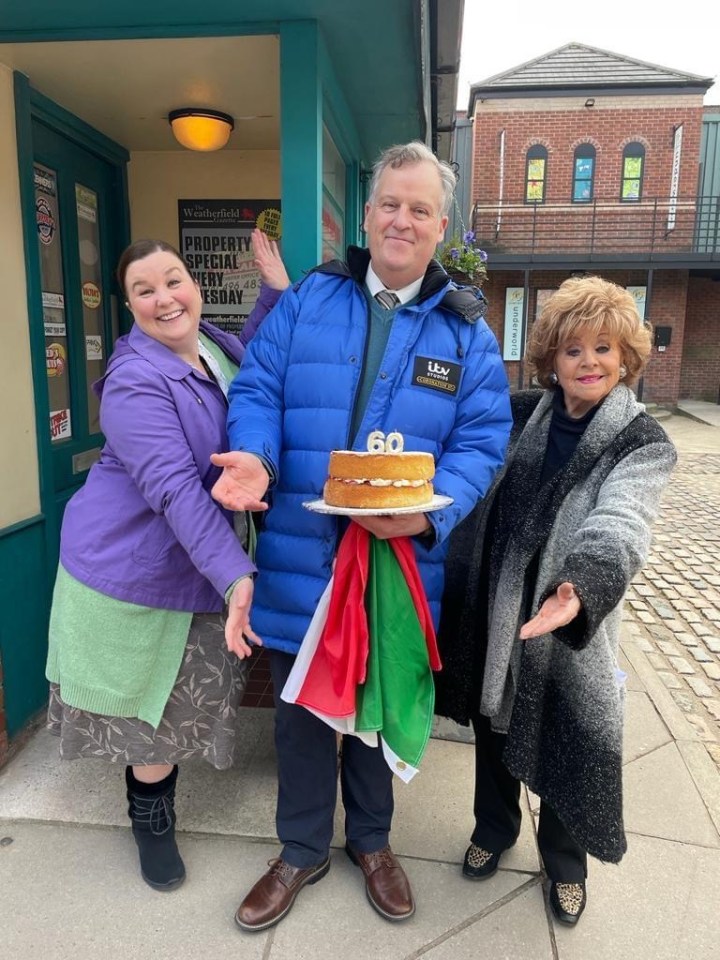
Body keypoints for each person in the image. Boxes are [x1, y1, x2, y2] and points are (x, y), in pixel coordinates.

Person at [211, 140, 512, 932]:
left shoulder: (466, 336)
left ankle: (372, 844)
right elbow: (258, 388)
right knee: (300, 711)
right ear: (369, 211)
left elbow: (483, 442)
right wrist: (254, 455)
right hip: (301, 555)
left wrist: (432, 514)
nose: (401, 220)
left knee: (379, 708)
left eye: (419, 208)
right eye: (390, 203)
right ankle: (302, 848)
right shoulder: (312, 298)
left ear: (441, 225)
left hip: (399, 558)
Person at [45, 231, 290, 892]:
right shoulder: (133, 382)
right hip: (136, 569)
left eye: (173, 279)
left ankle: (154, 805)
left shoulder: (211, 342)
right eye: (144, 290)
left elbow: (249, 371)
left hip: (197, 561)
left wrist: (271, 291)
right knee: (148, 720)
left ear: (194, 283)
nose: (165, 298)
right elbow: (177, 492)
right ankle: (150, 822)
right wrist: (237, 574)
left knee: (183, 705)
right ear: (129, 306)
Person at [435, 275, 677, 926]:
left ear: (627, 357)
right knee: (494, 726)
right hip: (497, 613)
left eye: (604, 347)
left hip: (572, 622)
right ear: (551, 360)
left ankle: (566, 865)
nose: (590, 361)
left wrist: (582, 585)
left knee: (568, 739)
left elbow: (623, 519)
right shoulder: (516, 415)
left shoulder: (641, 441)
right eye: (573, 349)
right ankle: (493, 828)